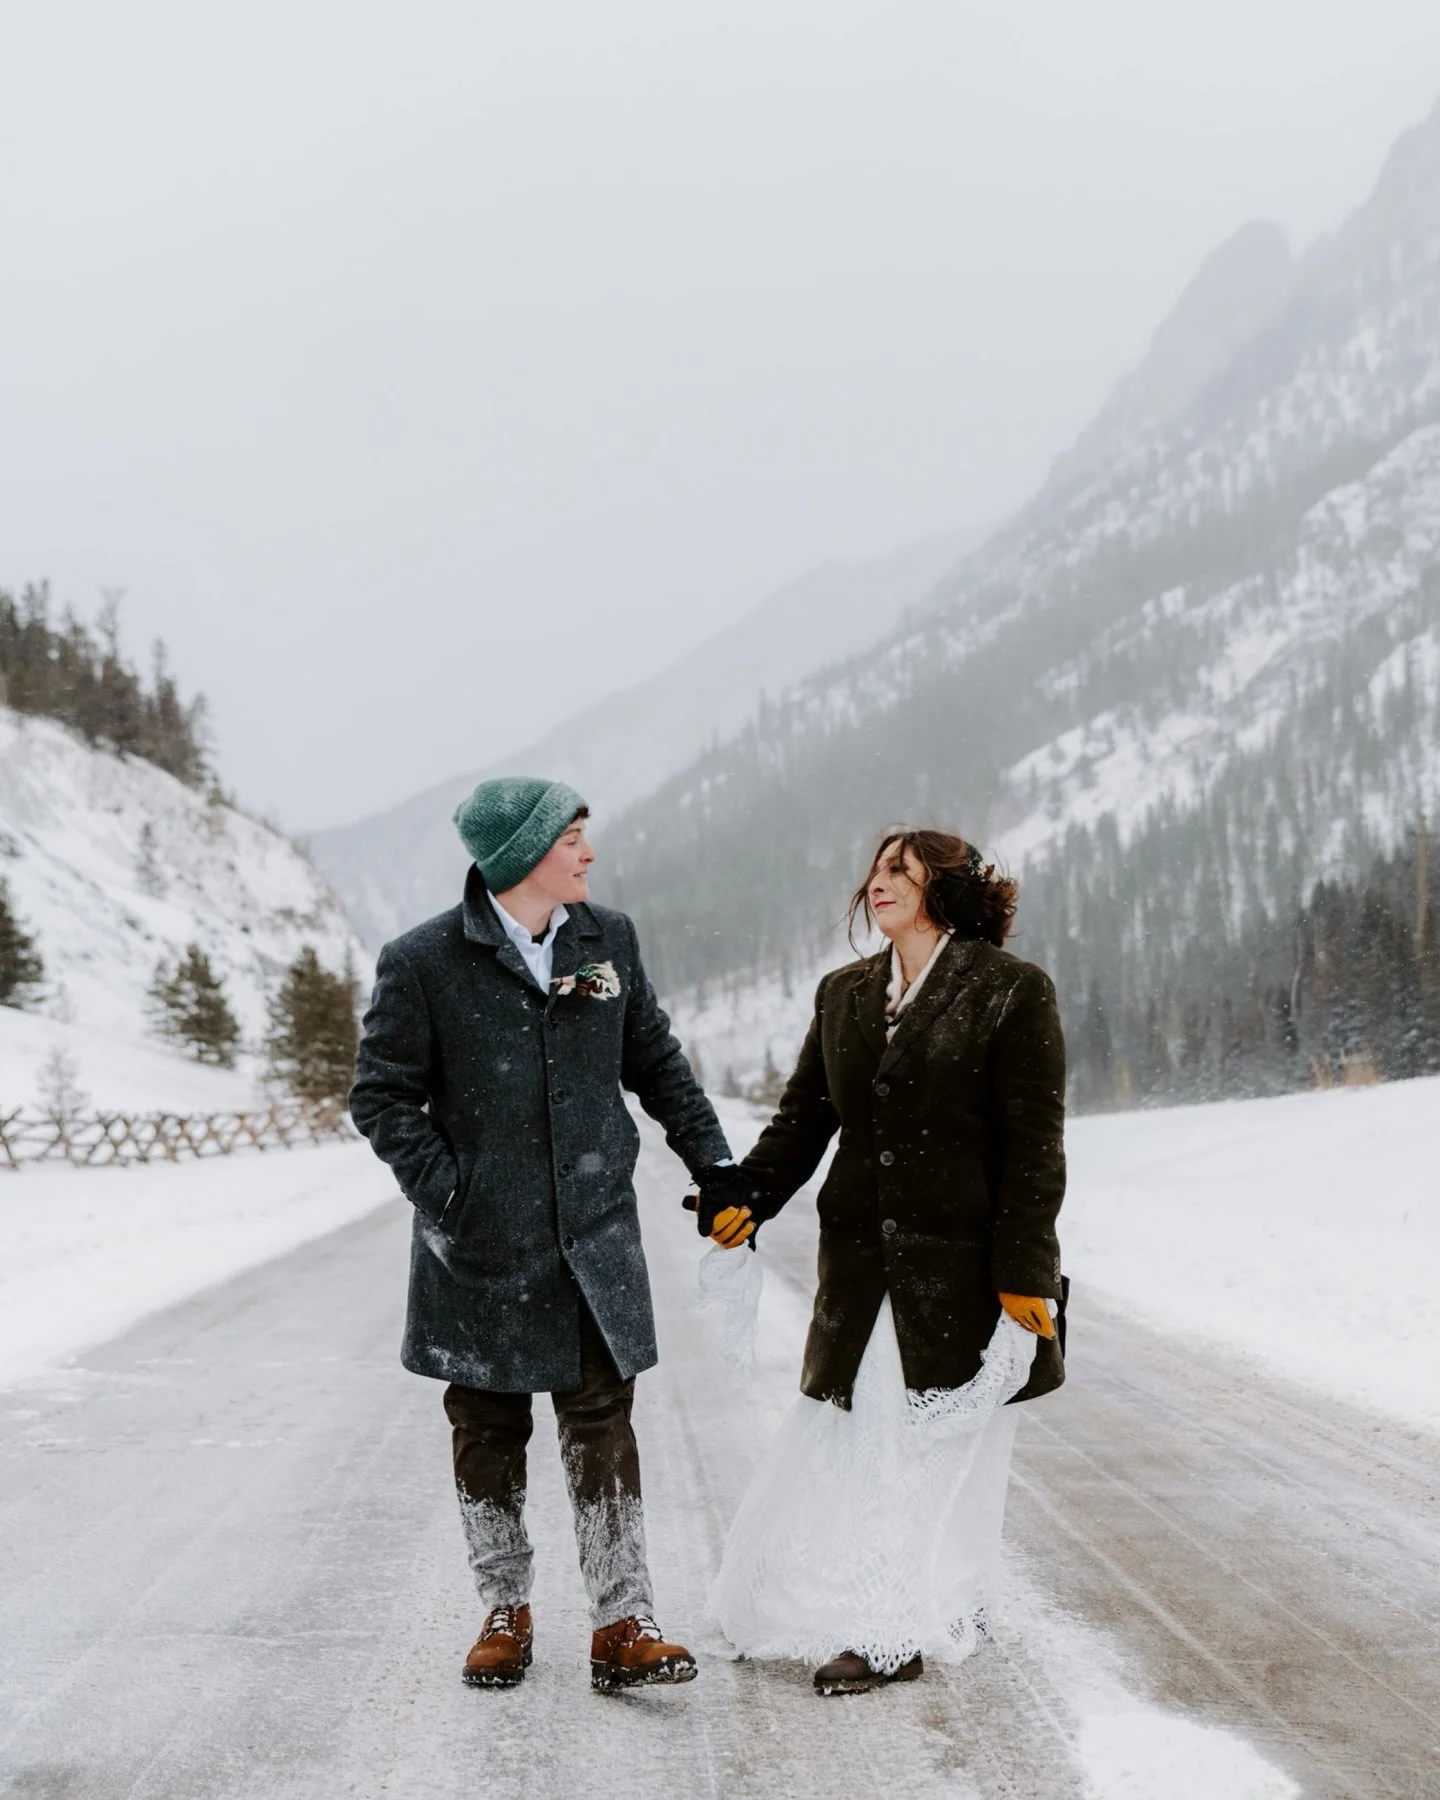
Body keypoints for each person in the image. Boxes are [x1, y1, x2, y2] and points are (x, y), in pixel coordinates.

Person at [350, 776, 750, 1692]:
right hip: (480, 1244)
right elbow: (378, 1094)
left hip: (595, 1234)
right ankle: (504, 1607)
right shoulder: (423, 960)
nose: (589, 852)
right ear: (524, 854)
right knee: (487, 1423)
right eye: (574, 836)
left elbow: (655, 1061)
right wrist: (453, 1194)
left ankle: (623, 1619)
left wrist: (714, 1166)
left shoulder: (609, 939)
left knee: (602, 1417)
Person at [696, 828, 1067, 1696]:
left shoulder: (1011, 991)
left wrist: (1024, 1269)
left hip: (966, 1267)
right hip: (862, 1262)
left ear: (949, 889)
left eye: (902, 868)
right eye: (876, 866)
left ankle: (896, 1625)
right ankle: (933, 1600)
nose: (878, 881)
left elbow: (1035, 1149)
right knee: (870, 1436)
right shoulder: (844, 994)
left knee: (935, 1443)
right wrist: (748, 1196)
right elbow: (803, 1120)